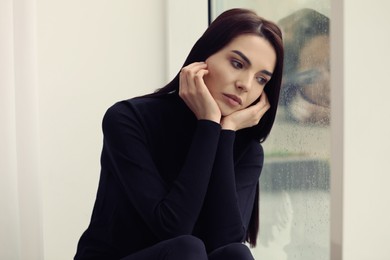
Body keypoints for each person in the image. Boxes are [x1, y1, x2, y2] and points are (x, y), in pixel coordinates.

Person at [74, 8, 284, 260]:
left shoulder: (246, 150)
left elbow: (226, 243)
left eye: (261, 79)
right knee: (186, 248)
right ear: (202, 59)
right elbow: (172, 228)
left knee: (236, 254)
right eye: (237, 64)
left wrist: (224, 132)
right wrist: (208, 124)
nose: (246, 85)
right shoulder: (128, 119)